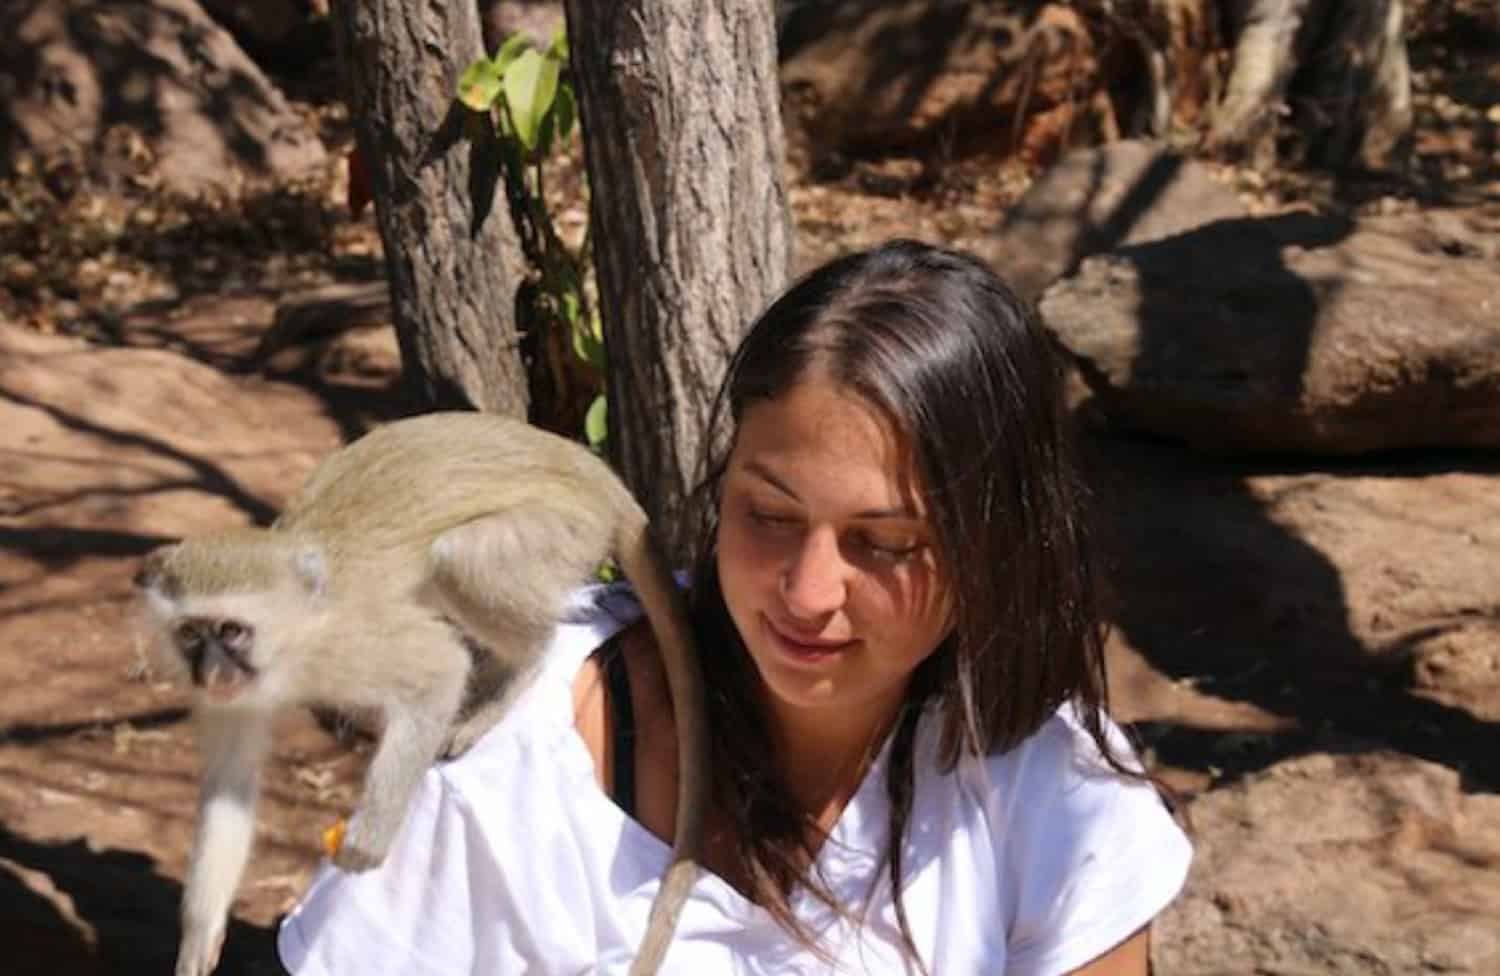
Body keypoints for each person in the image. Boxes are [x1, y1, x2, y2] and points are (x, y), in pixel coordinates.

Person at [276, 239, 1192, 975]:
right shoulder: (516, 755)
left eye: (885, 542)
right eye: (769, 515)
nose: (806, 593)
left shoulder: (1045, 778)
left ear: (994, 548)